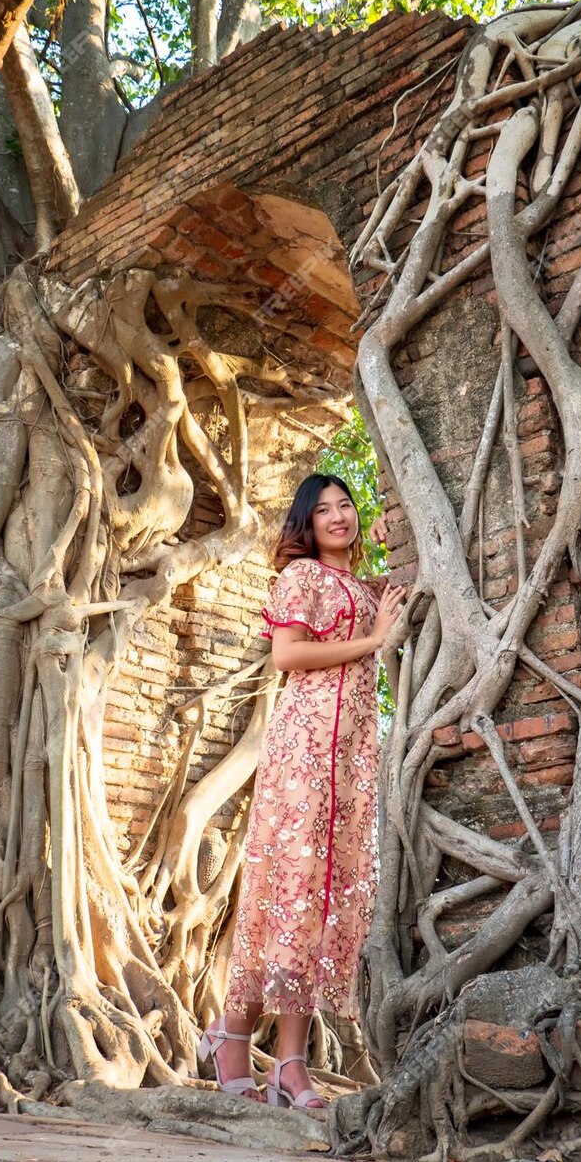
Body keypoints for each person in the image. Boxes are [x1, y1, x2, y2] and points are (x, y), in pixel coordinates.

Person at [198, 473, 406, 1108]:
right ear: (306, 525)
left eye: (347, 505)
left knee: (322, 901)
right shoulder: (302, 579)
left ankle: (286, 1059)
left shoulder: (359, 586)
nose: (339, 517)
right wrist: (373, 641)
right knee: (286, 892)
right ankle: (239, 1041)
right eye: (324, 511)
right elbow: (287, 655)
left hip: (351, 759)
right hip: (305, 748)